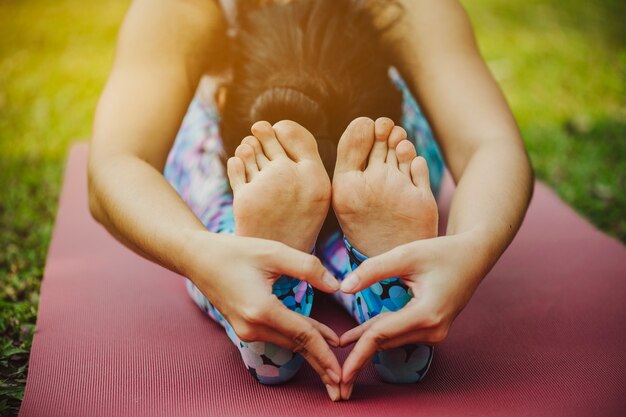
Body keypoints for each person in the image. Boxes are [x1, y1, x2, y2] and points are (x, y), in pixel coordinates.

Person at [88, 0, 534, 402]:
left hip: (257, 167)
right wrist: (198, 256)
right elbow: (488, 143)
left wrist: (473, 248)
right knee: (396, 157)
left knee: (202, 181)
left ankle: (261, 275)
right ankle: (391, 284)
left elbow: (117, 162)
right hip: (378, 161)